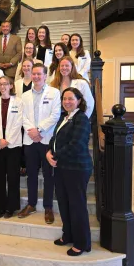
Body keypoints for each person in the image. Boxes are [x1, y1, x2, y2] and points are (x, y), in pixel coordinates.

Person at [46, 88, 92, 256]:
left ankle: (81, 242)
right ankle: (68, 235)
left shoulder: (82, 119)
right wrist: (48, 152)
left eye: (70, 99)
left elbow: (77, 144)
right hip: (62, 168)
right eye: (64, 99)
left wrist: (55, 156)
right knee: (64, 203)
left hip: (77, 168)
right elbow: (54, 139)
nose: (67, 102)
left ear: (79, 100)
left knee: (77, 206)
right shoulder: (64, 118)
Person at [19, 64, 61, 224]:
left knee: (49, 175)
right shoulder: (25, 95)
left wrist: (39, 130)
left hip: (46, 139)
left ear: (45, 76)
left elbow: (55, 115)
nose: (36, 77)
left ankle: (48, 206)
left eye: (39, 74)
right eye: (34, 74)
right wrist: (32, 131)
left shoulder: (54, 93)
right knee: (31, 175)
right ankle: (31, 204)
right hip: (30, 140)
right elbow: (23, 117)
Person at [0, 76, 23, 218]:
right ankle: (0, 207)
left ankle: (11, 207)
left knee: (13, 177)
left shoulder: (18, 102)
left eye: (5, 84)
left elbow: (18, 122)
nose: (2, 87)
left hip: (13, 145)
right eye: (0, 84)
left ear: (11, 86)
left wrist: (7, 140)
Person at [15, 58, 34, 176]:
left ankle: (30, 165)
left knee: (30, 143)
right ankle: (22, 165)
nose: (26, 68)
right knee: (21, 142)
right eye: (24, 66)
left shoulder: (36, 81)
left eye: (28, 66)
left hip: (31, 118)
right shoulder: (17, 83)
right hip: (19, 117)